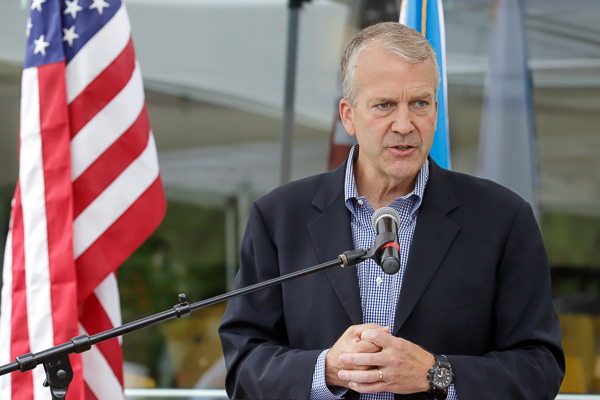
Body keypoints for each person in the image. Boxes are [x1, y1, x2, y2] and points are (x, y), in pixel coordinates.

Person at [219, 22, 564, 400]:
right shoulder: (279, 218)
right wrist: (328, 369)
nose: (405, 125)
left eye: (420, 103)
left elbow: (540, 369)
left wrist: (436, 374)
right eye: (385, 105)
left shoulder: (502, 219)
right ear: (348, 116)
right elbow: (244, 366)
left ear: (436, 108)